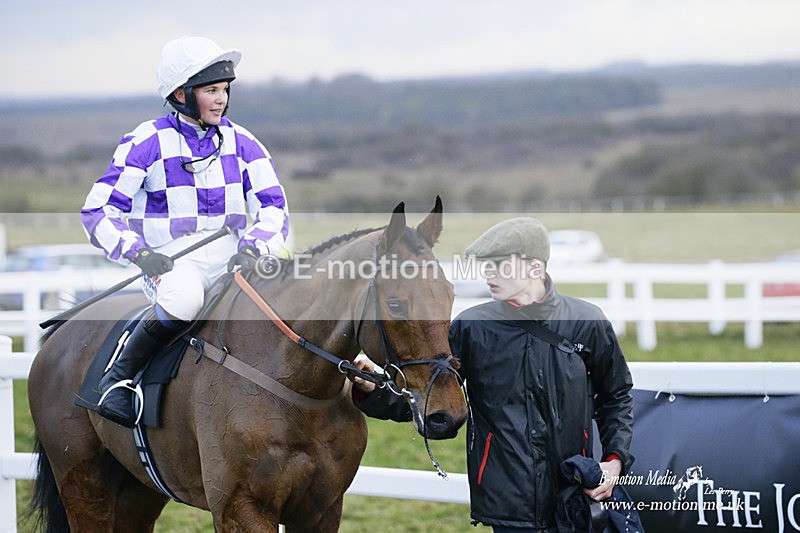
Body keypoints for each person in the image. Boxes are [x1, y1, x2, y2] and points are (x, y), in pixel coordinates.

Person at [352, 217, 635, 532]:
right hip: (508, 504)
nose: (488, 274)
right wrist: (373, 390)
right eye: (486, 266)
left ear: (535, 269)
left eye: (499, 265)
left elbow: (617, 396)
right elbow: (433, 395)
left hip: (575, 493)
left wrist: (614, 460)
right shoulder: (472, 328)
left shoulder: (587, 322)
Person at [81, 36, 289, 428]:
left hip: (235, 254)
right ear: (181, 93)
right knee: (185, 299)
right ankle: (118, 379)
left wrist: (255, 247)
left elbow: (273, 207)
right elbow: (98, 211)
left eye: (224, 89)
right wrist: (139, 253)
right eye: (210, 90)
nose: (221, 99)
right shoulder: (146, 141)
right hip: (173, 260)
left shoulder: (244, 142)